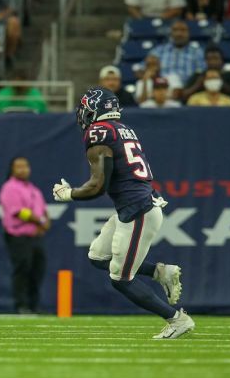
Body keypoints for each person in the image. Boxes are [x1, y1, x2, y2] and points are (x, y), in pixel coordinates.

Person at [51, 89, 192, 339]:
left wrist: (69, 194)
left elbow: (98, 185)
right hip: (134, 207)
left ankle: (176, 319)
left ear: (94, 110)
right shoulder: (121, 128)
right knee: (97, 256)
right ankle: (160, 272)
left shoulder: (98, 132)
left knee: (121, 279)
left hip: (138, 211)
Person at [0, 157, 50, 313]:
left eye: (25, 166)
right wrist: (41, 221)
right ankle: (21, 305)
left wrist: (45, 223)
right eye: (18, 167)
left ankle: (34, 305)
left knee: (37, 270)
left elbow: (44, 210)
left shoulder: (33, 189)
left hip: (36, 236)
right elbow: (20, 212)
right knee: (22, 269)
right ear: (12, 170)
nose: (23, 169)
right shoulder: (10, 187)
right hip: (18, 237)